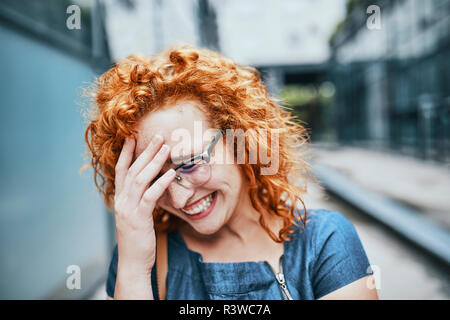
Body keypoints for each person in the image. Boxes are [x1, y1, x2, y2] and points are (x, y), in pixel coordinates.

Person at [84, 44, 378, 300]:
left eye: (189, 162)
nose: (178, 196)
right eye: (154, 178)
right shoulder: (141, 258)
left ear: (239, 138)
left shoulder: (324, 243)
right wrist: (134, 270)